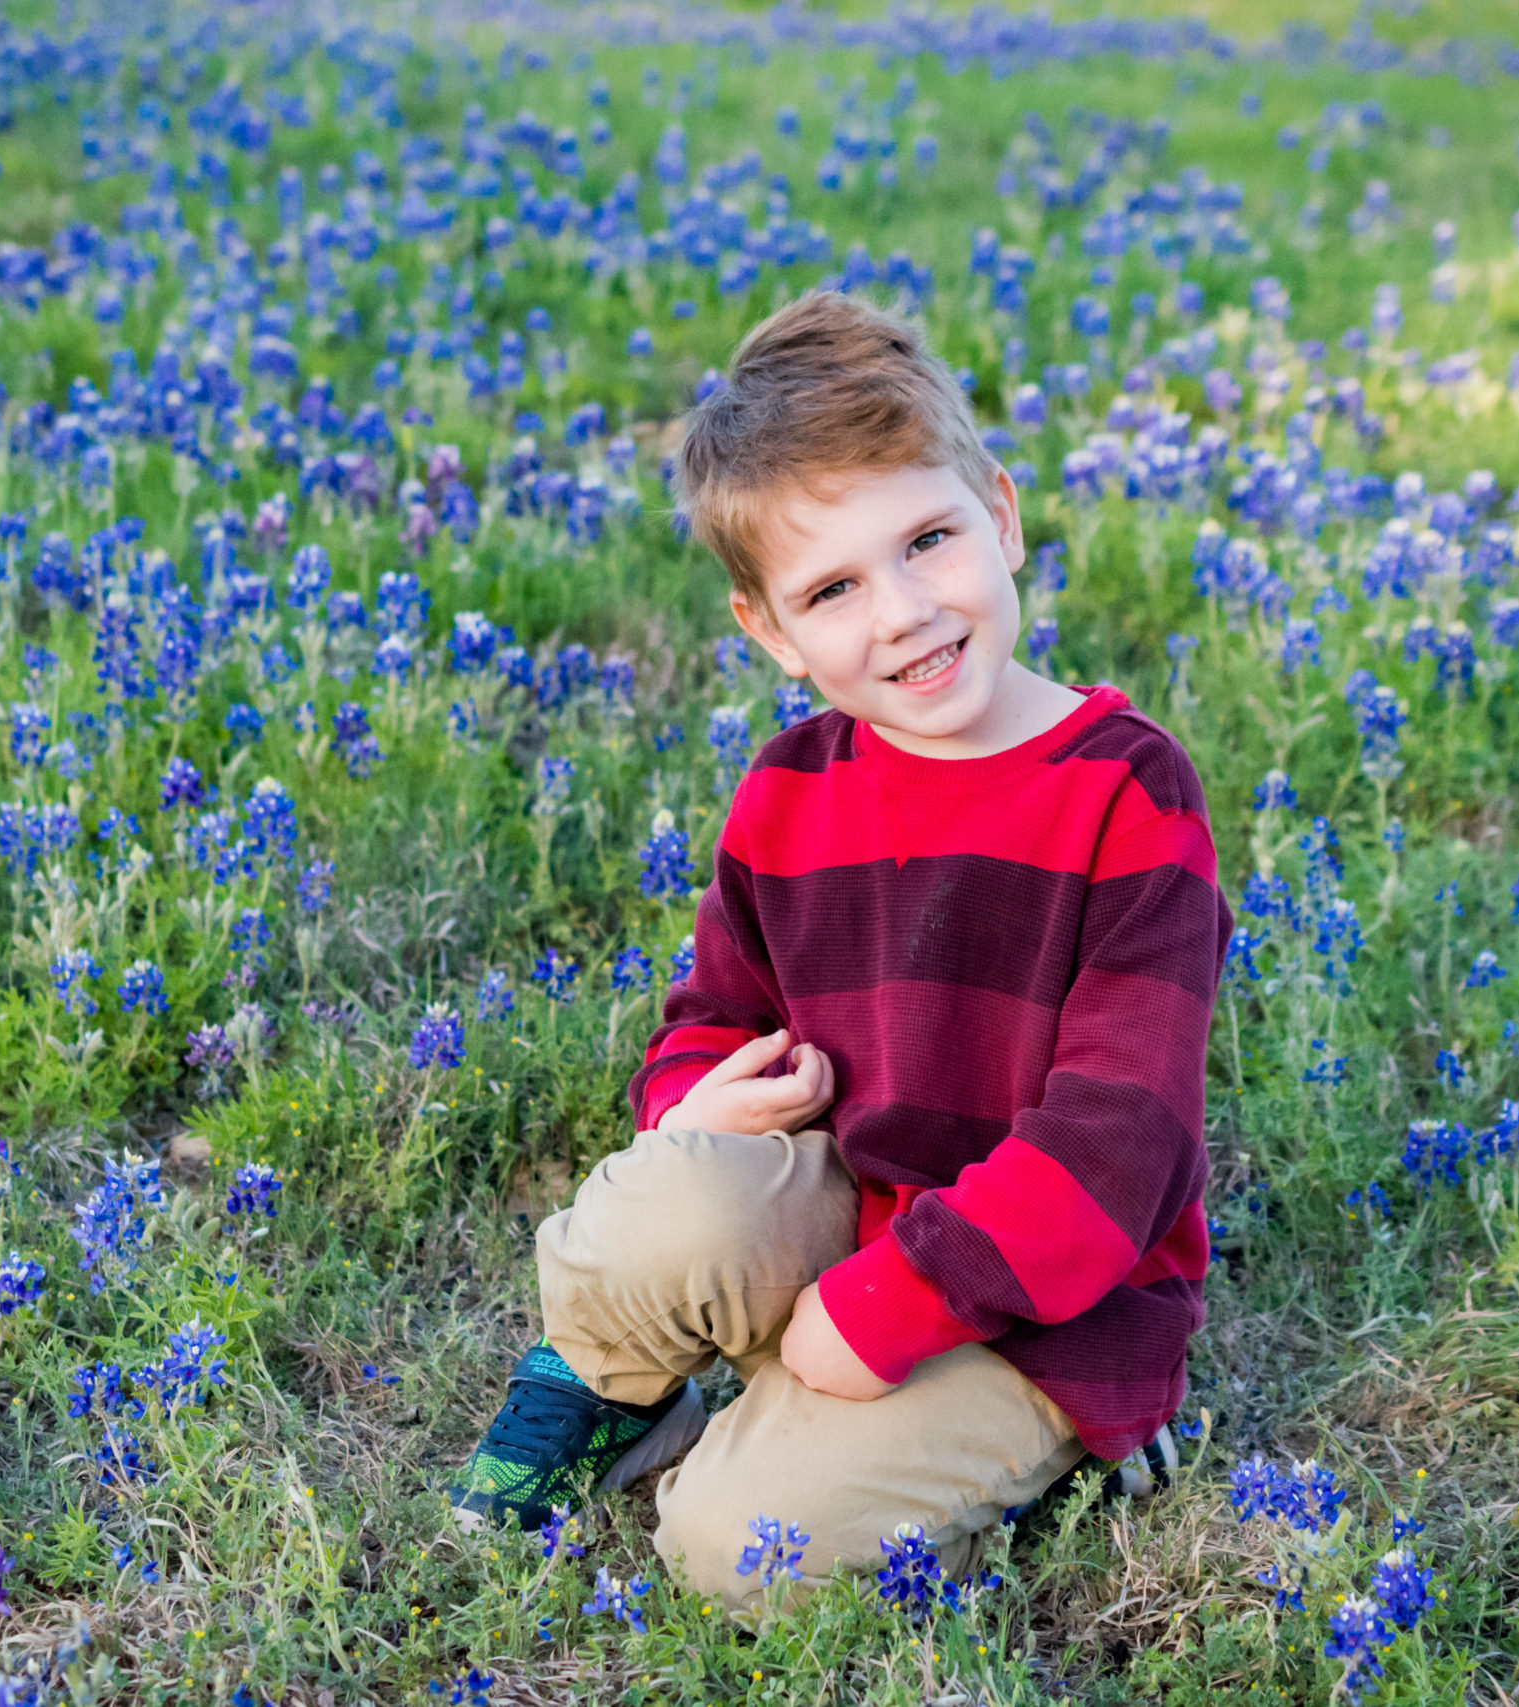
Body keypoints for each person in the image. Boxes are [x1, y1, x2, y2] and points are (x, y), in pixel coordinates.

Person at [445, 290, 1230, 1609]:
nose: (904, 612)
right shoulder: (791, 787)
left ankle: (1057, 1447)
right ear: (772, 632)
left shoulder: (1124, 792)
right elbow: (716, 1012)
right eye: (833, 589)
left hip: (1047, 1300)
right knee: (666, 1194)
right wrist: (694, 1109)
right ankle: (613, 1393)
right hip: (846, 1218)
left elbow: (1120, 1142)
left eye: (928, 540)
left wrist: (890, 1310)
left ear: (1003, 515)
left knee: (735, 1554)